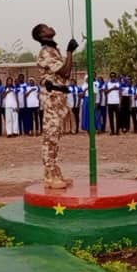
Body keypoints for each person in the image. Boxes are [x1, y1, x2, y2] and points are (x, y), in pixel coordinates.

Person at [33, 23, 77, 189]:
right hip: (52, 98)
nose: (50, 27)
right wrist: (70, 52)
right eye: (46, 28)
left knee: (56, 136)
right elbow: (65, 72)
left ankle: (55, 171)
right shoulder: (46, 52)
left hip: (59, 97)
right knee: (50, 137)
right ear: (42, 35)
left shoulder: (53, 50)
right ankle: (49, 175)